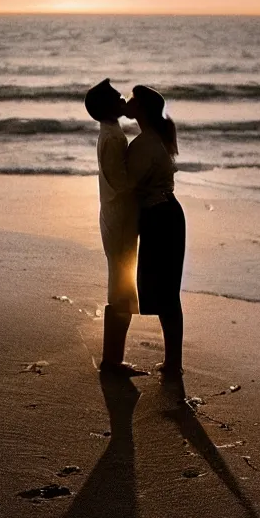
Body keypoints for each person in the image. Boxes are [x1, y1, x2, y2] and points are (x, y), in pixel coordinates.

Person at [84, 79, 147, 376]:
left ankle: (113, 359)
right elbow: (121, 182)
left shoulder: (111, 133)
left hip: (117, 216)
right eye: (117, 96)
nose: (123, 98)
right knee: (121, 288)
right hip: (119, 217)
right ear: (109, 107)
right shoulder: (111, 138)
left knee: (121, 285)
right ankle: (112, 361)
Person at [126, 85, 186, 377]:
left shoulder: (144, 144)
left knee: (167, 292)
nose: (128, 101)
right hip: (167, 214)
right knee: (168, 292)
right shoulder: (152, 139)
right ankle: (173, 362)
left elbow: (128, 186)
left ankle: (174, 363)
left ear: (143, 110)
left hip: (160, 216)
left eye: (133, 100)